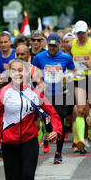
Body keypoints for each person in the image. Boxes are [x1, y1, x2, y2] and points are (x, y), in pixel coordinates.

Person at [32, 33, 76, 163]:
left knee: (59, 122)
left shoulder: (66, 57)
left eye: (54, 46)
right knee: (47, 122)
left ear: (59, 45)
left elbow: (73, 71)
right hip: (45, 94)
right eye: (50, 46)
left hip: (59, 94)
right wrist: (39, 82)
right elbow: (33, 70)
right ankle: (47, 135)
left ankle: (58, 153)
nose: (52, 48)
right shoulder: (39, 57)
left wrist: (66, 77)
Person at [71, 20, 91, 153]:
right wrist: (71, 71)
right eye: (79, 33)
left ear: (87, 31)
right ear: (76, 32)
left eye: (83, 32)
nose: (81, 35)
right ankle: (81, 139)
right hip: (79, 79)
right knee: (81, 109)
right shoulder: (72, 44)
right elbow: (70, 59)